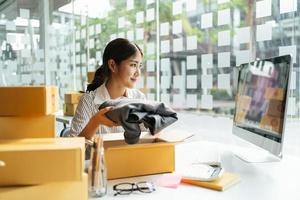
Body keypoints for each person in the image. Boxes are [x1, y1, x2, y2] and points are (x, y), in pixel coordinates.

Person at [70, 38, 145, 140]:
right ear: (112, 65)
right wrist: (95, 121)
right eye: (133, 65)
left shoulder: (139, 98)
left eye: (139, 66)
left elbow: (147, 138)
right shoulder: (88, 101)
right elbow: (73, 147)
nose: (138, 72)